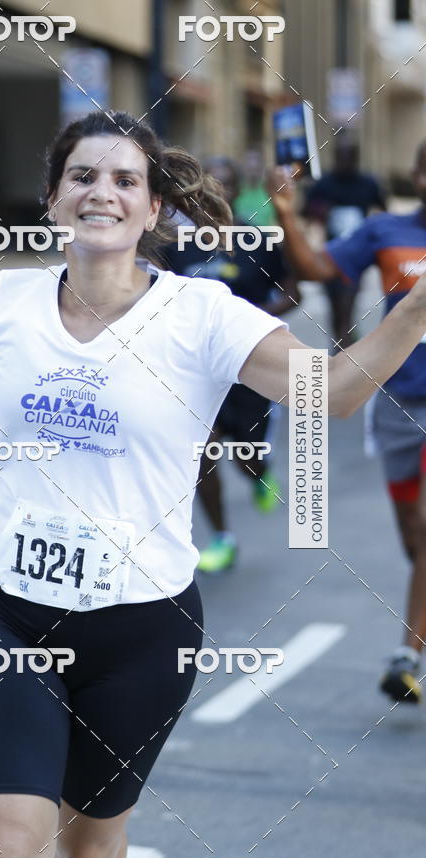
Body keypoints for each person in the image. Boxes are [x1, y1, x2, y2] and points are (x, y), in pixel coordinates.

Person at [0, 111, 426, 858]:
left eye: (124, 180)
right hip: (7, 609)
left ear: (152, 209)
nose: (100, 193)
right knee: (9, 849)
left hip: (143, 627)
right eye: (81, 176)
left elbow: (333, 392)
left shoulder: (204, 316)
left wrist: (413, 312)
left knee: (91, 854)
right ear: (53, 200)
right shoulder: (6, 301)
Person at [268, 140, 426, 704]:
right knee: (414, 536)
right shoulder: (385, 231)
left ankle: (406, 655)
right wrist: (286, 213)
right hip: (398, 402)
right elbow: (316, 269)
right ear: (416, 175)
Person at [164, 157, 299, 573]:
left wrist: (250, 322)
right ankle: (222, 538)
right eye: (210, 185)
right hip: (194, 371)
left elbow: (293, 292)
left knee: (246, 455)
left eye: (226, 184)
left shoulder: (257, 241)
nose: (216, 194)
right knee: (202, 452)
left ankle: (260, 472)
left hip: (247, 366)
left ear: (239, 191)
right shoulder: (174, 246)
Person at [304, 132, 387, 349]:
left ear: (356, 157)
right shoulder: (324, 183)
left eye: (350, 156)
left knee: (346, 307)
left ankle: (345, 350)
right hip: (330, 255)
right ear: (335, 157)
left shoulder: (368, 183)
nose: (345, 161)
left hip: (357, 257)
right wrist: (319, 212)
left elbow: (383, 211)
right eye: (341, 156)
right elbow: (306, 212)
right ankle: (341, 345)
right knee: (335, 308)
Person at [234, 148, 277, 228]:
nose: (253, 173)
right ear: (243, 167)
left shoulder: (270, 191)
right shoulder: (235, 190)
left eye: (256, 169)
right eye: (250, 169)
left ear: (262, 168)